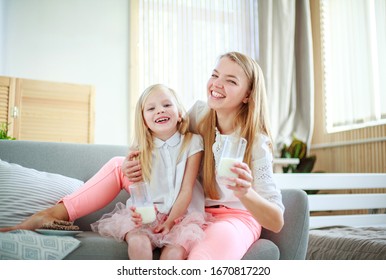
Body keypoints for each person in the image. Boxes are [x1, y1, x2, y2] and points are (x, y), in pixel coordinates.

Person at [1, 84, 207, 260]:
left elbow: (186, 189)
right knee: (138, 243)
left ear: (180, 112)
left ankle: (50, 215)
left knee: (173, 255)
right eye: (151, 108)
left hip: (181, 218)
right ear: (143, 120)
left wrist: (170, 222)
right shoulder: (140, 149)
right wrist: (139, 214)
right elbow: (140, 192)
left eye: (167, 105)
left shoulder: (192, 142)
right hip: (151, 214)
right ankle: (46, 216)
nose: (160, 110)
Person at [123, 52, 285, 260]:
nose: (217, 84)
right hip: (196, 216)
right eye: (215, 75)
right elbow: (159, 145)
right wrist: (128, 164)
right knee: (115, 164)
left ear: (248, 95)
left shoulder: (256, 143)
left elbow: (276, 222)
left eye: (231, 81)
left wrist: (246, 193)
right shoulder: (198, 115)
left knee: (200, 260)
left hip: (235, 218)